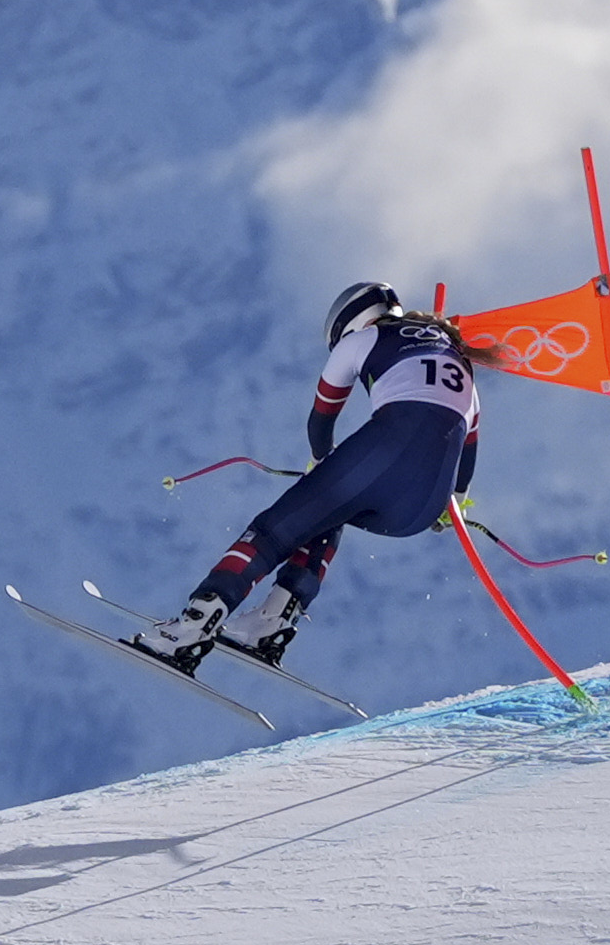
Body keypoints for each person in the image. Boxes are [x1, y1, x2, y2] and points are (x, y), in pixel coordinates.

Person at [135, 280, 483, 671]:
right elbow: (466, 452)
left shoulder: (365, 339)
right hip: (420, 509)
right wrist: (452, 506)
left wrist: (321, 464)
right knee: (328, 512)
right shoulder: (459, 358)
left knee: (271, 532)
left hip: (385, 452)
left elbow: (321, 419)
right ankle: (273, 621)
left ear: (350, 320)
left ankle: (190, 630)